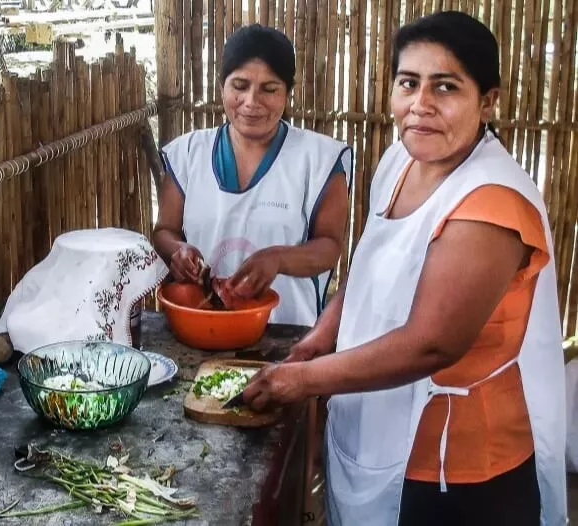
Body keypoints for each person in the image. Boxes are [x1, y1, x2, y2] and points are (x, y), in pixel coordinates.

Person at [241, 11, 567, 525]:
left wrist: (303, 379)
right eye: (408, 83)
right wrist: (321, 335)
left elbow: (431, 343)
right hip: (375, 426)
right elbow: (370, 270)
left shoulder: (491, 204)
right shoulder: (403, 160)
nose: (420, 105)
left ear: (487, 99)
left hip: (457, 469)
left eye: (446, 87)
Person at [153, 24, 353, 326]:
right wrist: (179, 251)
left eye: (269, 89)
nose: (251, 102)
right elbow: (163, 232)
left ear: (288, 92)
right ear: (222, 86)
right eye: (240, 85)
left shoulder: (320, 160)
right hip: (201, 327)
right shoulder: (188, 155)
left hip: (287, 333)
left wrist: (278, 259)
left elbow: (329, 246)